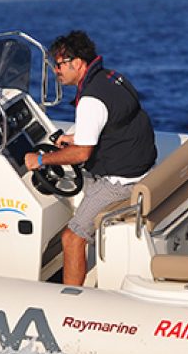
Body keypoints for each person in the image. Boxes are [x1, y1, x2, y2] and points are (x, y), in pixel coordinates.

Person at [24, 31, 157, 286]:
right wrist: (74, 138)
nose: (56, 72)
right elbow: (114, 122)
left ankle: (71, 299)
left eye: (59, 65)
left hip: (122, 181)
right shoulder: (111, 77)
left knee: (71, 237)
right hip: (140, 165)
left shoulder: (90, 99)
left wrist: (39, 161)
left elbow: (81, 154)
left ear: (77, 63)